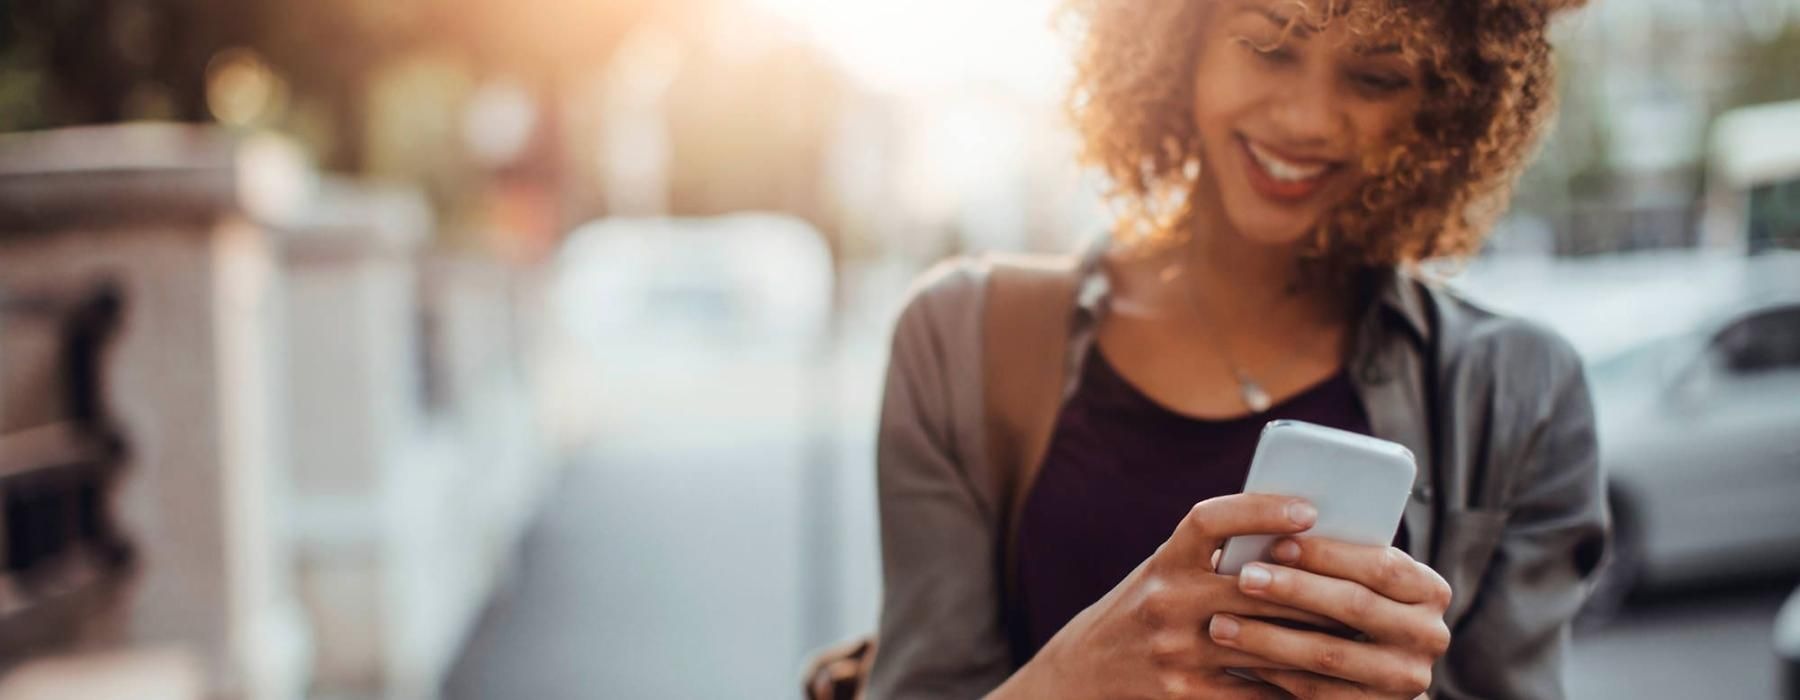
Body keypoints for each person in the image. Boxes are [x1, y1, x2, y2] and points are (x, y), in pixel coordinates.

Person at [868, 0, 1606, 698]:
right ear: (1177, 36)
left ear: (1445, 106)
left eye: (1376, 77)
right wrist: (1080, 676)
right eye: (1269, 47)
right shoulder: (963, 339)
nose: (1307, 119)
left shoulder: (1523, 391)